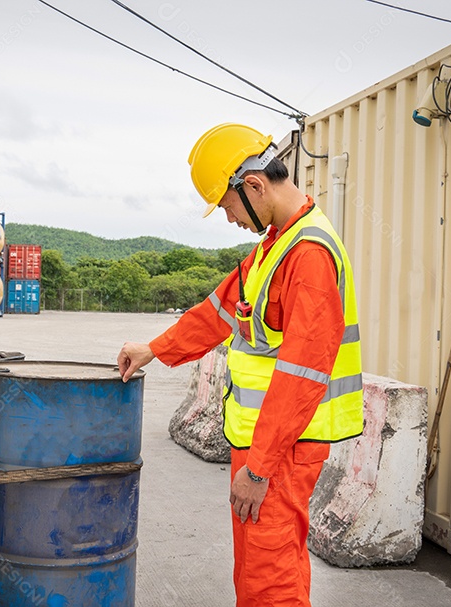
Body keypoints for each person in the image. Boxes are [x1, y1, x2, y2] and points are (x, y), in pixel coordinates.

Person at [117, 123, 363, 606]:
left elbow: (301, 376)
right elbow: (218, 312)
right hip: (266, 444)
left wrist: (259, 469)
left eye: (227, 207)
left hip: (283, 448)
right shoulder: (275, 247)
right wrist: (155, 348)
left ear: (253, 185)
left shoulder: (308, 256)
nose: (230, 219)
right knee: (261, 566)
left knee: (269, 577)